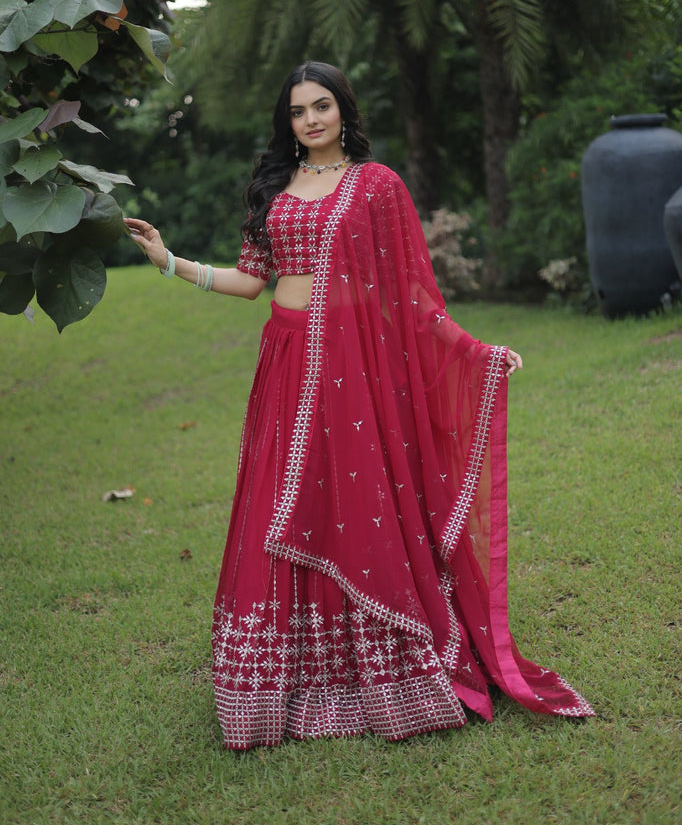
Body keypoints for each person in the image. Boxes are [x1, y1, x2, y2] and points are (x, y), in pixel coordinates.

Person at [126, 61, 593, 750]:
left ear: (344, 110)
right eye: (297, 111)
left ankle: (385, 674)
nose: (310, 120)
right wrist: (169, 261)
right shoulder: (274, 189)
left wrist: (471, 351)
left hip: (351, 376)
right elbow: (252, 281)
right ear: (286, 122)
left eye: (322, 106)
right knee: (280, 507)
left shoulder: (377, 186)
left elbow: (411, 297)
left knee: (354, 503)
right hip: (285, 366)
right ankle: (282, 687)